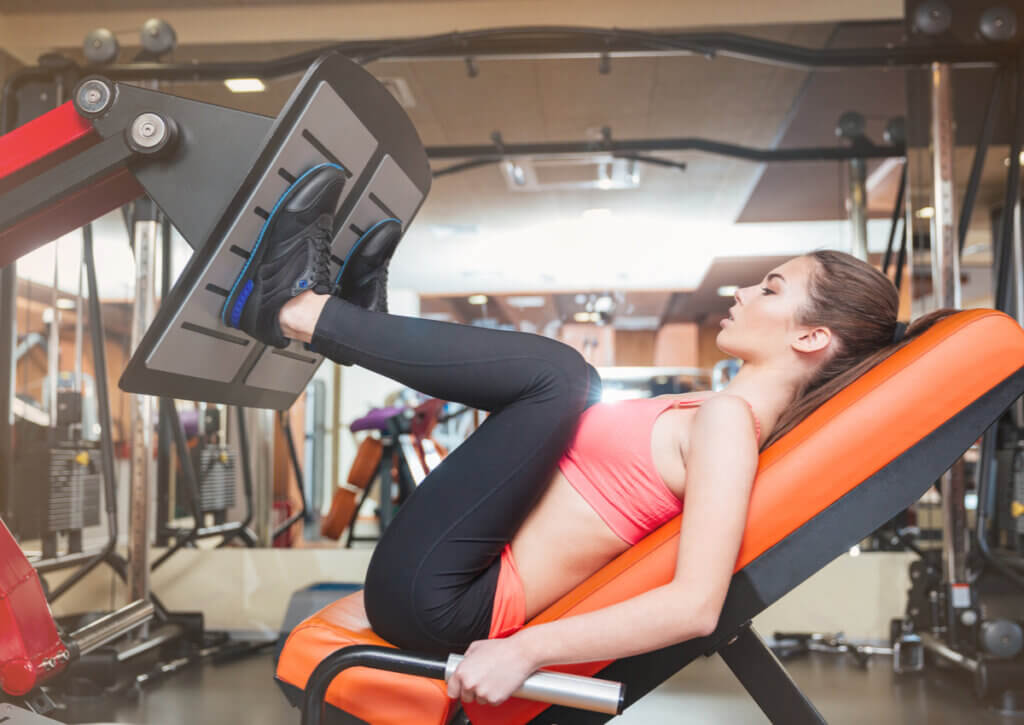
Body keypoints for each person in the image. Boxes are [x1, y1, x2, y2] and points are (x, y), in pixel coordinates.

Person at [223, 163, 958, 707]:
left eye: (770, 288)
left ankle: (295, 308)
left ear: (812, 336)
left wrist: (523, 650)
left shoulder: (730, 427)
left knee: (563, 378)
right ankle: (351, 326)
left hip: (447, 600)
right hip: (449, 577)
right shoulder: (713, 407)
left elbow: (696, 605)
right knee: (564, 385)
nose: (739, 292)